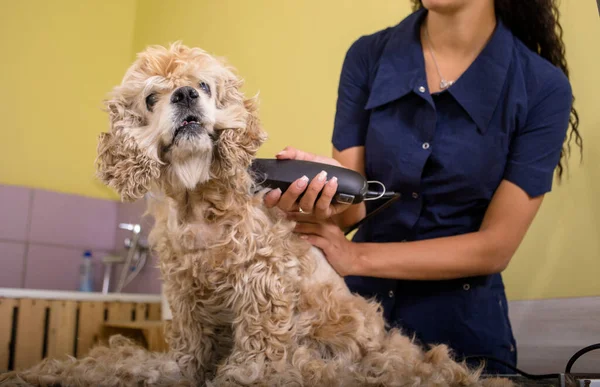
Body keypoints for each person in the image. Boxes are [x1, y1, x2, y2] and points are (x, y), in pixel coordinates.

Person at [263, 0, 583, 375]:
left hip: (466, 338)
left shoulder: (543, 88)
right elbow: (353, 210)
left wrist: (356, 257)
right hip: (360, 325)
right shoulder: (367, 56)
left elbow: (495, 247)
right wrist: (326, 194)